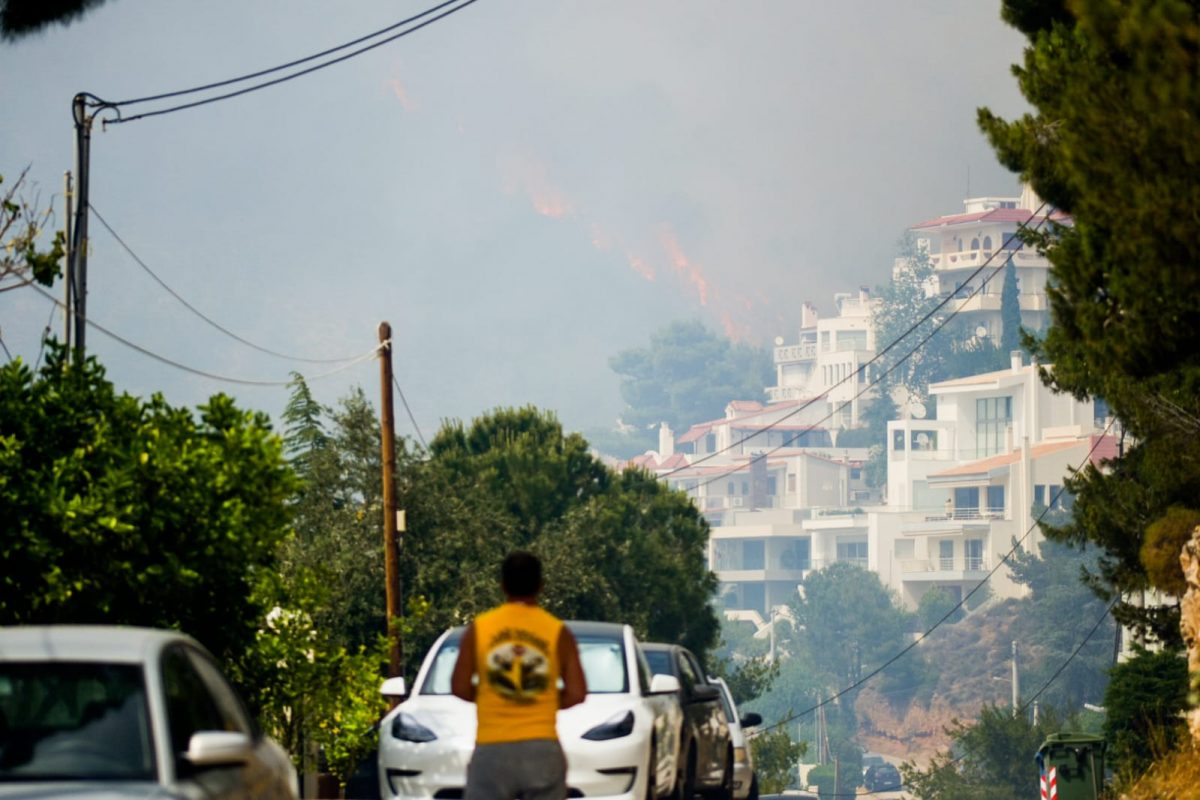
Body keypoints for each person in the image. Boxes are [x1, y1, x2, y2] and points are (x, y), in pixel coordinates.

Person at [451, 551, 587, 800]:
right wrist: (537, 697)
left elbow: (459, 686)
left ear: (502, 586)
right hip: (542, 749)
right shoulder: (558, 632)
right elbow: (577, 693)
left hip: (491, 750)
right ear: (540, 586)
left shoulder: (479, 628)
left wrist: (496, 695)